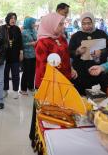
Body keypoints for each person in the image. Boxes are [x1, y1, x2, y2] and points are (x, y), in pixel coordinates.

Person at [29, 12, 77, 144]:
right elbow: (43, 67)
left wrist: (71, 69)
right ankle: (44, 143)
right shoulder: (42, 42)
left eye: (63, 23)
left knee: (61, 114)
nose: (63, 27)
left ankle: (61, 142)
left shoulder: (61, 38)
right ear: (50, 25)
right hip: (49, 84)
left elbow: (66, 58)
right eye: (60, 24)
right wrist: (56, 82)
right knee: (48, 115)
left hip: (64, 82)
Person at [69, 12, 108, 95]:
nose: (86, 26)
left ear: (93, 22)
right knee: (82, 95)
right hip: (81, 72)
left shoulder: (101, 34)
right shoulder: (76, 36)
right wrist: (77, 51)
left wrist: (101, 52)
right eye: (83, 24)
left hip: (98, 71)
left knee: (99, 96)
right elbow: (69, 52)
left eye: (89, 23)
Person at [3, 12, 23, 99]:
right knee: (5, 74)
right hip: (5, 56)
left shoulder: (17, 29)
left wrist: (21, 52)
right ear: (7, 19)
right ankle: (5, 90)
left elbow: (20, 42)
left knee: (16, 74)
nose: (13, 20)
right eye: (11, 18)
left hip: (15, 55)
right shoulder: (2, 28)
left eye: (14, 18)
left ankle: (15, 90)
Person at [20, 17, 37, 95]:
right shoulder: (23, 32)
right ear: (28, 23)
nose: (34, 24)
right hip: (27, 55)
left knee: (32, 72)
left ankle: (30, 86)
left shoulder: (34, 31)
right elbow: (21, 44)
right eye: (33, 23)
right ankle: (23, 89)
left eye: (34, 23)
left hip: (34, 54)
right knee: (26, 72)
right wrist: (31, 44)